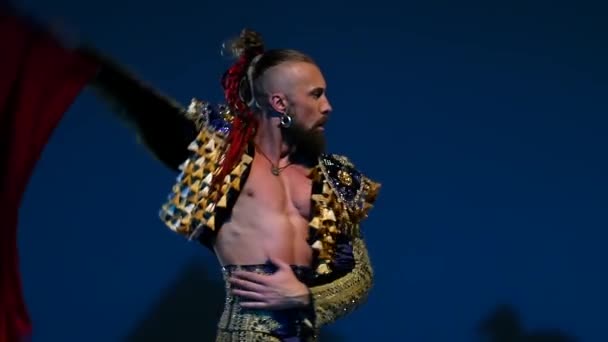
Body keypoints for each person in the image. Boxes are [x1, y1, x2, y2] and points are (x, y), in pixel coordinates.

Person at [0, 5, 380, 341]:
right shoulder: (231, 168)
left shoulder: (332, 183)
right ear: (280, 103)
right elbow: (161, 122)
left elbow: (359, 278)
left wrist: (301, 296)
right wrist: (94, 65)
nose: (328, 107)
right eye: (316, 95)